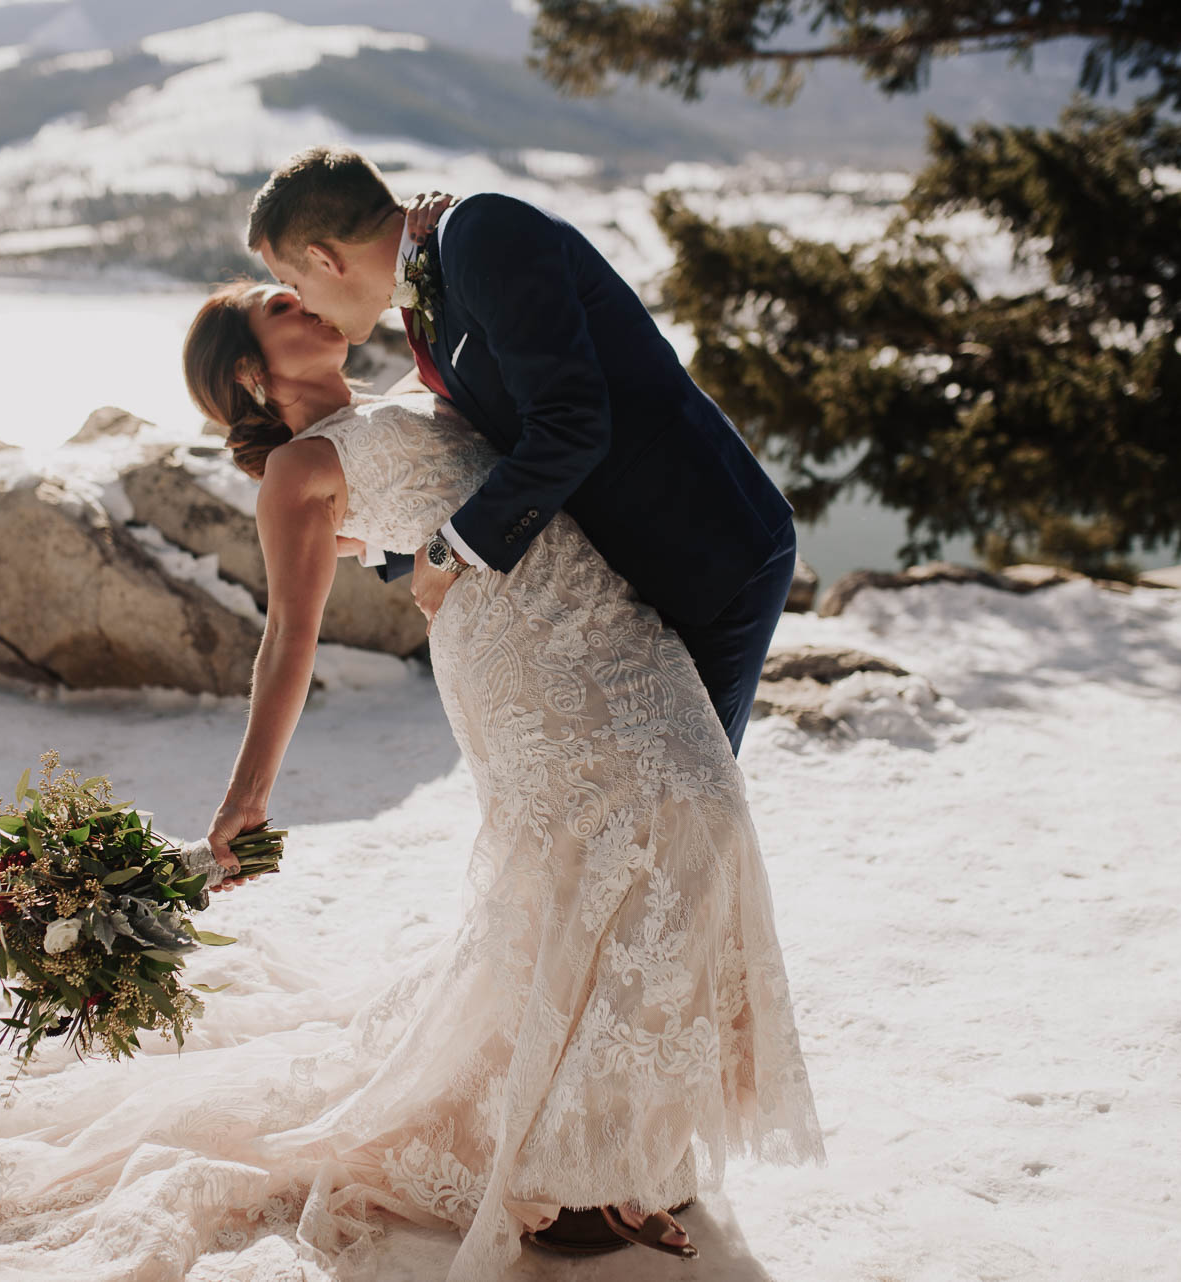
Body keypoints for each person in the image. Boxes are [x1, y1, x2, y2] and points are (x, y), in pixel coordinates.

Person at [188, 273, 823, 1276]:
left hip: (605, 615)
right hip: (519, 661)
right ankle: (575, 1177)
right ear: (249, 377)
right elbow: (288, 641)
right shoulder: (297, 470)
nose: (310, 302)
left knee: (703, 823)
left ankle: (616, 1137)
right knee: (598, 864)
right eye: (282, 307)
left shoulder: (406, 391)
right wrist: (245, 802)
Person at [247, 146, 801, 761]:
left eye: (296, 284)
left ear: (325, 259)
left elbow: (570, 426)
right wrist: (381, 537)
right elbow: (481, 440)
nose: (307, 303)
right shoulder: (430, 285)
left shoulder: (483, 235)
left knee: (688, 802)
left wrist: (450, 551)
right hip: (636, 573)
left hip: (706, 553)